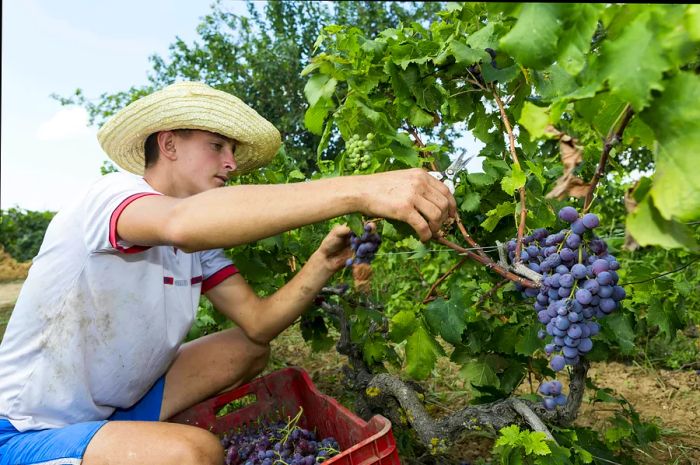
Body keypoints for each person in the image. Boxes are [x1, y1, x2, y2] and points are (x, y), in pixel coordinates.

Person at [0, 81, 456, 465]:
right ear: (169, 144)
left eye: (232, 151)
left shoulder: (198, 246)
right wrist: (361, 190)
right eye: (217, 146)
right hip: (26, 428)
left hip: (113, 408)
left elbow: (258, 324)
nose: (231, 163)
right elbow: (181, 224)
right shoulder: (111, 197)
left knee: (245, 350)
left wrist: (322, 263)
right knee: (194, 454)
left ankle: (125, 442)